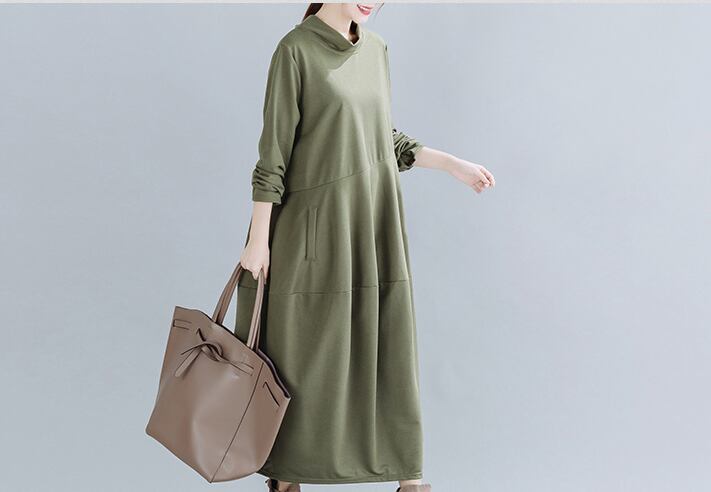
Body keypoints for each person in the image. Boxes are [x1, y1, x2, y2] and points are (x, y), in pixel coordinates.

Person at [235, 3, 495, 492]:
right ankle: (287, 479)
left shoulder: (377, 50)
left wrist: (451, 164)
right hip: (313, 230)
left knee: (387, 345)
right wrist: (258, 240)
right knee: (303, 355)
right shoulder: (294, 51)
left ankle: (410, 479)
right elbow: (273, 155)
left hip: (373, 223)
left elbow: (381, 137)